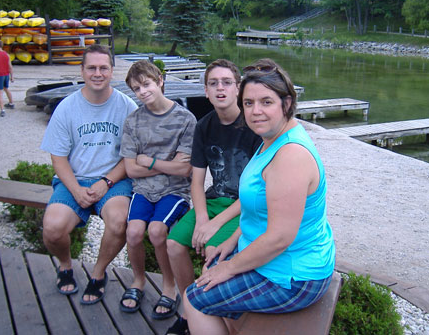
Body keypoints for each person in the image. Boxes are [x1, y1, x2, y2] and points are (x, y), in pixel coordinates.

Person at [182, 58, 336, 335]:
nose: (256, 111)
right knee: (210, 267)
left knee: (194, 299)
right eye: (249, 103)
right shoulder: (270, 140)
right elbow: (259, 210)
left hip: (293, 275)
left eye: (266, 102)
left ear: (286, 104)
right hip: (275, 257)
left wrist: (229, 268)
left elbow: (279, 238)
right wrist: (232, 242)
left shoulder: (290, 156)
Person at [165, 59, 262, 334]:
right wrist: (202, 219)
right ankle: (188, 308)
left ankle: (212, 314)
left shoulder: (253, 126)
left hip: (241, 206)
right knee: (173, 244)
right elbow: (196, 180)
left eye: (227, 82)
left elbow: (257, 192)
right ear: (205, 91)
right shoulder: (204, 126)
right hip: (213, 201)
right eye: (213, 83)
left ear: (238, 89)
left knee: (211, 252)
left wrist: (215, 224)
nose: (220, 89)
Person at [41, 44, 138, 305]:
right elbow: (58, 156)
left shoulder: (126, 106)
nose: (98, 73)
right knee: (52, 228)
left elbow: (131, 156)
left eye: (103, 68)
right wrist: (75, 189)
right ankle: (64, 265)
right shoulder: (67, 107)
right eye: (92, 67)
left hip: (114, 179)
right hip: (74, 178)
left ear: (111, 71)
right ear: (82, 70)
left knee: (119, 221)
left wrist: (106, 182)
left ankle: (98, 273)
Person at [119, 60, 197, 319]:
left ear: (160, 80)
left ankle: (169, 286)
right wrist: (167, 164)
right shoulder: (133, 121)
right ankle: (138, 281)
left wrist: (150, 161)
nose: (142, 92)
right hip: (143, 189)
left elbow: (184, 170)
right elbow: (131, 169)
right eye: (136, 89)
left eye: (146, 84)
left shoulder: (185, 119)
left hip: (175, 192)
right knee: (132, 232)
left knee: (156, 230)